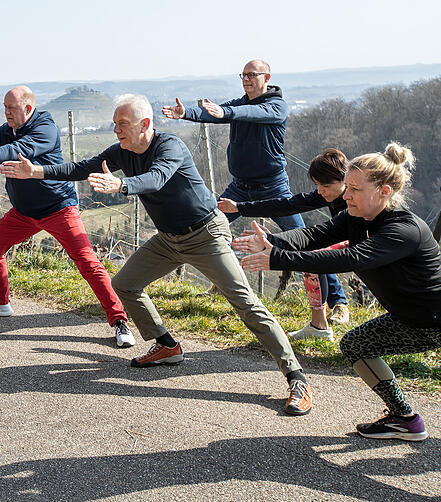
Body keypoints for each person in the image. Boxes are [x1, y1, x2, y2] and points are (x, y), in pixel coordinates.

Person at [1, 94, 313, 415]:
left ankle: (296, 377)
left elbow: (157, 177)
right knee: (124, 284)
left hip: (205, 234)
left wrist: (121, 186)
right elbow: (82, 167)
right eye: (115, 123)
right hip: (168, 239)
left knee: (246, 304)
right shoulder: (122, 150)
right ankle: (166, 345)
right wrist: (35, 171)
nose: (116, 129)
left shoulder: (170, 146)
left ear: (145, 124)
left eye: (123, 123)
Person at [237, 143, 441, 440]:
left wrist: (277, 259)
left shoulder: (405, 230)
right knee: (356, 344)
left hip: (434, 319)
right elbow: (315, 234)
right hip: (410, 318)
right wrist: (274, 241)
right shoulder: (356, 217)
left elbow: (350, 258)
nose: (346, 196)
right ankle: (404, 419)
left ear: (384, 191)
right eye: (347, 187)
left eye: (355, 189)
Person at [0, 86, 136, 347]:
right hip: (24, 212)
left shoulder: (44, 128)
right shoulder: (9, 128)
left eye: (11, 108)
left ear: (27, 108)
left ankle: (119, 320)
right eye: (4, 107)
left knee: (88, 263)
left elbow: (15, 150)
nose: (6, 113)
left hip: (58, 208)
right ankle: (1, 303)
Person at [219, 149, 352, 340]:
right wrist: (241, 207)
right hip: (352, 245)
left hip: (367, 247)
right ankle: (319, 326)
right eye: (317, 185)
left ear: (344, 179)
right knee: (310, 256)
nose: (320, 191)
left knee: (312, 253)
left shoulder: (356, 198)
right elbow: (287, 205)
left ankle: (328, 317)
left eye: (325, 185)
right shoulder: (330, 193)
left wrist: (275, 241)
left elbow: (330, 234)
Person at [162, 60, 305, 234]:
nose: (246, 79)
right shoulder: (239, 104)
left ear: (266, 77)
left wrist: (227, 112)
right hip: (239, 188)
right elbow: (213, 113)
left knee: (298, 235)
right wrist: (185, 113)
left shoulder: (277, 106)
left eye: (251, 75)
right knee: (205, 229)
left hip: (272, 187)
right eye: (243, 75)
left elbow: (254, 112)